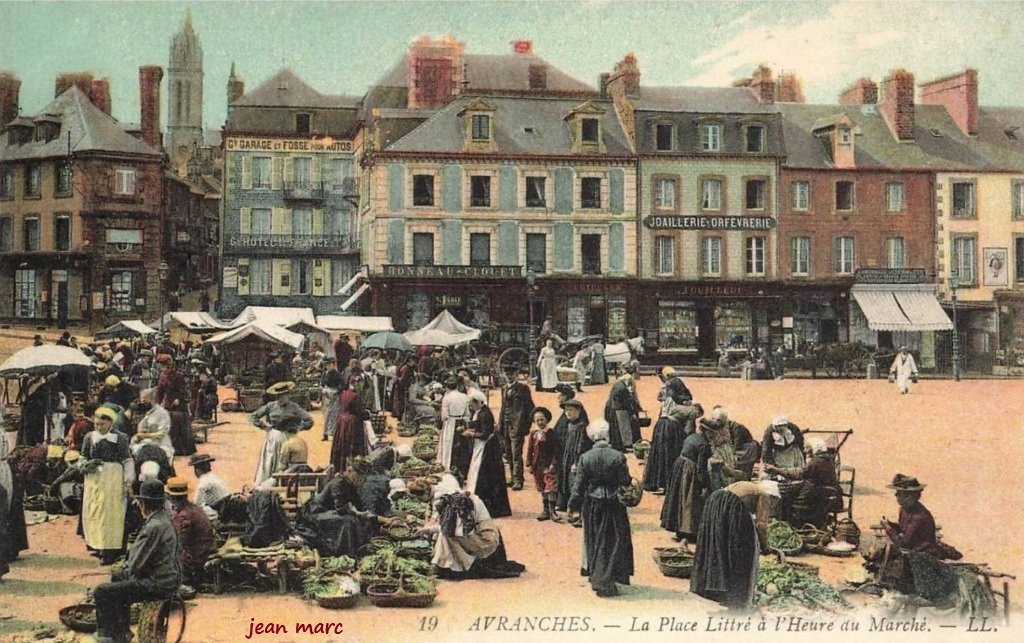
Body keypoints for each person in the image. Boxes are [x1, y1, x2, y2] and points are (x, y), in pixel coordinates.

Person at [93, 479, 181, 643]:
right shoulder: (165, 519)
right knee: (118, 579)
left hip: (159, 583)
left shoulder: (153, 527)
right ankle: (122, 632)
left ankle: (107, 637)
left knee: (102, 591)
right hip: (170, 577)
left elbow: (135, 566)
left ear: (144, 504)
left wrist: (127, 568)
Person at [419, 472, 525, 580]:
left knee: (446, 536)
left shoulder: (458, 504)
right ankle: (443, 564)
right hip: (482, 531)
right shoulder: (460, 497)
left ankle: (455, 566)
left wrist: (428, 530)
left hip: (486, 538)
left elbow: (453, 529)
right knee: (445, 533)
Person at [569, 420, 634, 597]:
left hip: (592, 503)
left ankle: (596, 577)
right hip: (614, 503)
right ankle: (609, 580)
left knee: (595, 540)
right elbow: (625, 481)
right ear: (607, 435)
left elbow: (579, 486)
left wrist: (573, 505)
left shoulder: (585, 457)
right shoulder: (617, 456)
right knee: (613, 540)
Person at [691, 481, 774, 610]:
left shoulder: (753, 487)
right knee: (740, 550)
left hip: (716, 500)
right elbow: (761, 526)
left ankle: (718, 588)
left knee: (719, 545)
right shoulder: (765, 496)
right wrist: (766, 548)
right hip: (731, 505)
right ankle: (735, 597)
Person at [81, 406, 134, 565]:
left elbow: (127, 460)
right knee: (95, 512)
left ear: (110, 423)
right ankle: (97, 545)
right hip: (94, 479)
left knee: (111, 514)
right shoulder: (90, 437)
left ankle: (110, 550)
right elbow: (82, 457)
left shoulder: (120, 438)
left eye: (102, 424)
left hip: (113, 478)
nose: (99, 427)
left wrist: (128, 480)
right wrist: (85, 464)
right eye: (96, 424)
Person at [767, 438, 841, 529]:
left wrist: (777, 470)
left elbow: (799, 473)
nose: (805, 451)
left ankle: (791, 526)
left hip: (818, 497)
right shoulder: (826, 460)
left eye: (807, 448)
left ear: (814, 448)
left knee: (785, 499)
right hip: (825, 494)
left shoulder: (816, 462)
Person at [660, 410, 711, 542]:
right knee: (689, 500)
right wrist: (704, 485)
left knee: (678, 498)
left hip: (679, 465)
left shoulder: (691, 437)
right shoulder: (704, 445)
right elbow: (701, 469)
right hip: (689, 471)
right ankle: (688, 531)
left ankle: (678, 528)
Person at [251, 381, 313, 487]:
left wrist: (299, 427)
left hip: (288, 437)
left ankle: (282, 485)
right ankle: (267, 484)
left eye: (284, 395)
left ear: (288, 395)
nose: (282, 398)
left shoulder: (294, 407)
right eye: (279, 396)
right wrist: (264, 426)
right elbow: (254, 416)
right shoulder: (271, 406)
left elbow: (309, 420)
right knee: (269, 461)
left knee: (284, 462)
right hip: (273, 437)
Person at [463, 388, 511, 518]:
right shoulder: (481, 411)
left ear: (477, 402)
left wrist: (471, 434)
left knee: (484, 475)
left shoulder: (484, 414)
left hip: (487, 448)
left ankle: (488, 507)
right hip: (482, 446)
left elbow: (485, 433)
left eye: (472, 404)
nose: (471, 406)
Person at [165, 477, 216, 591]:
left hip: (197, 557)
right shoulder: (192, 509)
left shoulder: (184, 516)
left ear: (171, 498)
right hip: (204, 550)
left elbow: (180, 542)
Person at [554, 398, 592, 526]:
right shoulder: (569, 425)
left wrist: (576, 462)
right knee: (567, 483)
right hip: (566, 458)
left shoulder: (583, 426)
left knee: (576, 485)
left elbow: (581, 446)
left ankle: (580, 514)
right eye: (566, 411)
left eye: (571, 410)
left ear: (579, 411)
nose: (568, 413)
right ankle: (570, 510)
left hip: (576, 460)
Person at [154, 353, 195, 457]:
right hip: (168, 404)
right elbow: (160, 392)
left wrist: (179, 399)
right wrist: (157, 404)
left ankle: (182, 449)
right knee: (170, 427)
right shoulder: (162, 376)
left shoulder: (178, 376)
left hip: (179, 405)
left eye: (161, 365)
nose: (160, 368)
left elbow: (185, 392)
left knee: (180, 426)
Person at [500, 370, 534, 491]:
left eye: (511, 374)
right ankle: (513, 478)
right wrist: (500, 425)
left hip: (517, 426)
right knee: (508, 453)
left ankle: (518, 480)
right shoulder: (504, 388)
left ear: (516, 375)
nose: (509, 376)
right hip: (505, 425)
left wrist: (526, 426)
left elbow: (530, 407)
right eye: (507, 374)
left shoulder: (523, 388)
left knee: (516, 454)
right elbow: (503, 408)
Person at [526, 406, 561, 522]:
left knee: (550, 487)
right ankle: (545, 510)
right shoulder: (534, 434)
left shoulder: (551, 433)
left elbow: (556, 451)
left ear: (547, 420)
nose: (540, 422)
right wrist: (529, 464)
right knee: (542, 488)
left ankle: (553, 511)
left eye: (542, 419)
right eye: (537, 420)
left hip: (549, 465)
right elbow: (530, 449)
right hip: (537, 466)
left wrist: (553, 464)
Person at [331, 375, 371, 474]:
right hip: (352, 424)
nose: (361, 386)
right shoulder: (355, 396)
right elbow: (360, 413)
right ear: (356, 383)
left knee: (342, 446)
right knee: (352, 448)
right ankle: (353, 470)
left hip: (342, 422)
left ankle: (340, 468)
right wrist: (368, 414)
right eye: (360, 383)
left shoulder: (344, 394)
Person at [438, 375, 471, 477]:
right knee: (462, 447)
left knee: (449, 446)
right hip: (462, 421)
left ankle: (448, 468)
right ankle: (462, 470)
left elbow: (444, 416)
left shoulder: (446, 398)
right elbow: (467, 414)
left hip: (450, 423)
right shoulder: (465, 397)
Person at [129, 388, 174, 461]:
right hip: (141, 445)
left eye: (144, 401)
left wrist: (146, 435)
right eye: (141, 400)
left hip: (159, 445)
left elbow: (162, 433)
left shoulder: (162, 413)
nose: (142, 403)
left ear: (153, 400)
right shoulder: (142, 412)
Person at [604, 373, 639, 452]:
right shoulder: (623, 388)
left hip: (613, 408)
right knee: (623, 429)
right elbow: (626, 402)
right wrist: (632, 412)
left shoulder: (617, 384)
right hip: (620, 410)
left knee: (616, 429)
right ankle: (625, 445)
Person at [189, 453, 230, 520]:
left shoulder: (203, 482)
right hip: (227, 505)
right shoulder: (214, 476)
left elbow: (197, 504)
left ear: (197, 470)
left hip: (221, 510)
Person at [319, 356, 342, 442]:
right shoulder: (325, 374)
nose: (328, 366)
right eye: (326, 365)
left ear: (333, 364)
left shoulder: (337, 374)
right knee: (326, 414)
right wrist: (322, 390)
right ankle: (325, 433)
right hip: (326, 394)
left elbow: (343, 385)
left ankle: (333, 433)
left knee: (334, 415)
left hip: (335, 394)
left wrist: (337, 391)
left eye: (329, 364)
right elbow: (321, 384)